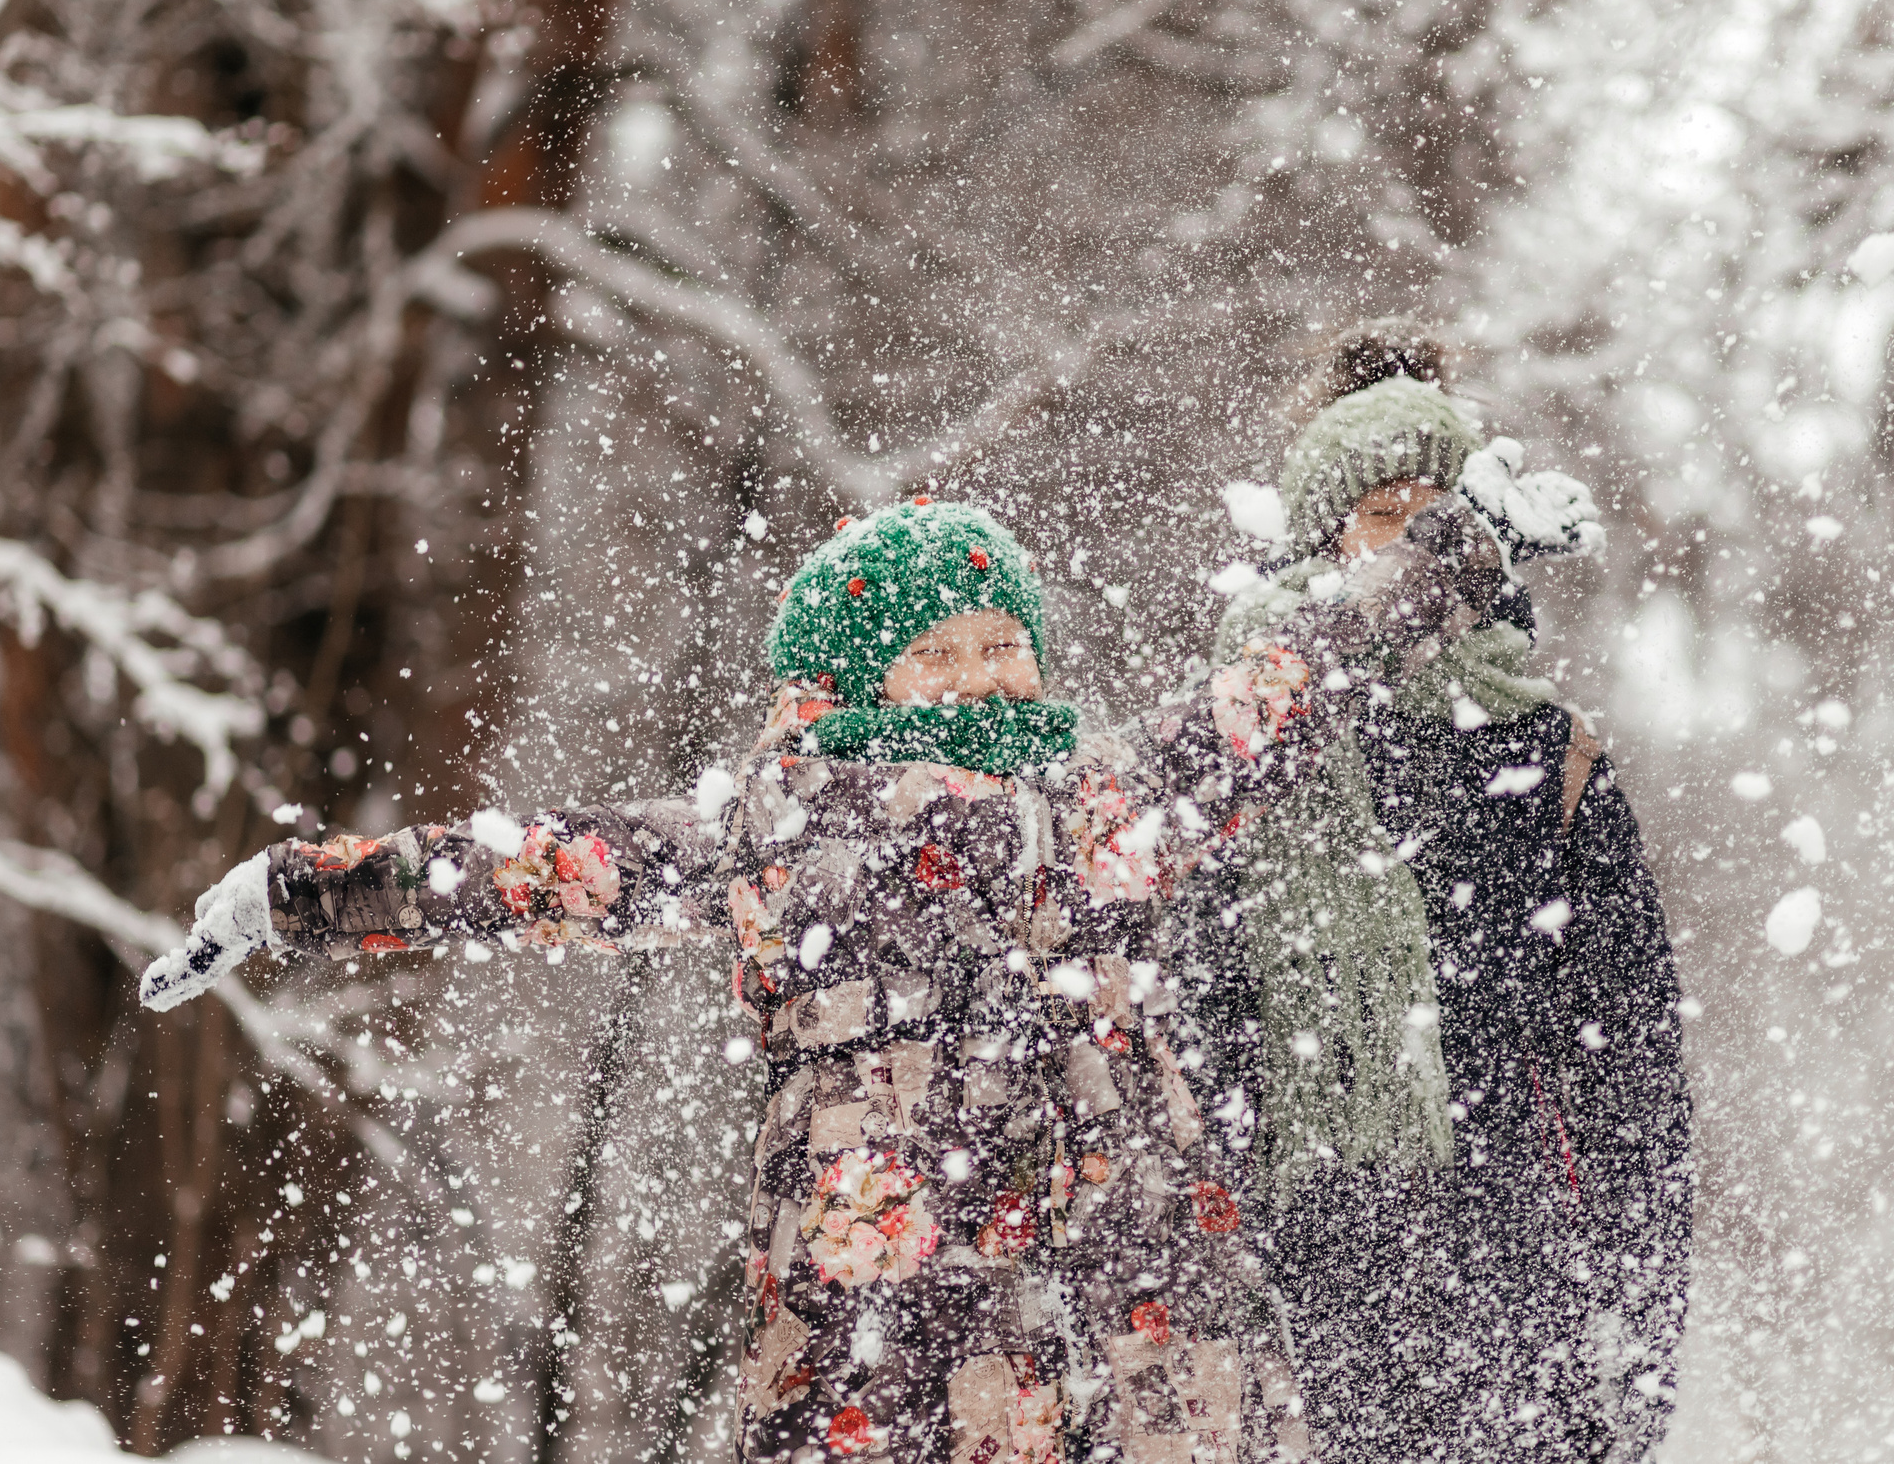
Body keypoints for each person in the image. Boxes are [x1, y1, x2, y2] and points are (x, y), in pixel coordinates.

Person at [141, 494, 1514, 1464]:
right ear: (863, 679)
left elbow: (1264, 699)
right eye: (942, 652)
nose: (984, 675)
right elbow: (541, 865)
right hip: (896, 1274)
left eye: (1003, 641)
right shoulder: (793, 823)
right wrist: (308, 891)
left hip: (1111, 1248)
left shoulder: (1082, 799)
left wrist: (1436, 563)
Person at [1196, 334, 1693, 1464]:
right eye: (1386, 517)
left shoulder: (1544, 749)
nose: (1424, 543)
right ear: (1326, 544)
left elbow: (1627, 1075)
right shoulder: (1246, 747)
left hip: (1517, 1289)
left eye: (1442, 509)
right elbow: (1204, 1039)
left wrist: (1635, 1331)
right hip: (1303, 1284)